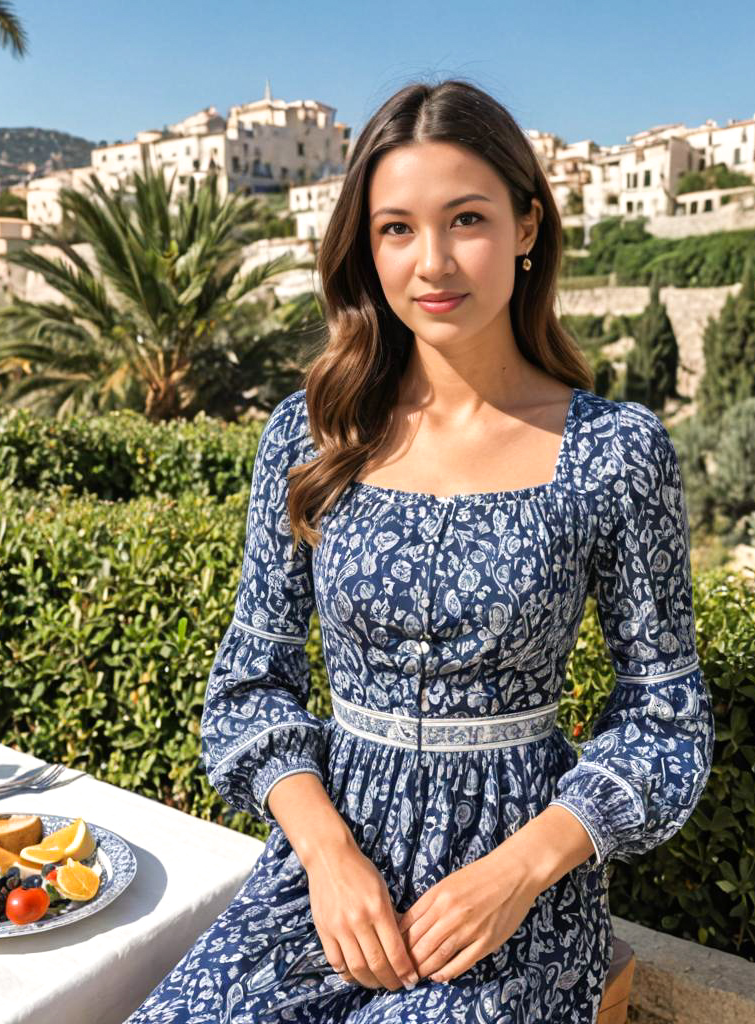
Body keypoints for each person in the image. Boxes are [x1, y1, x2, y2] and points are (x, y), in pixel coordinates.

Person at [125, 77, 714, 1024]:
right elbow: (249, 684)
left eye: (466, 219)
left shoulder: (615, 450)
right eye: (396, 228)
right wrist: (325, 855)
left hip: (508, 898)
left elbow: (666, 716)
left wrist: (524, 868)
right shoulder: (311, 434)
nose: (432, 262)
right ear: (366, 245)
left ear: (527, 227)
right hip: (327, 875)